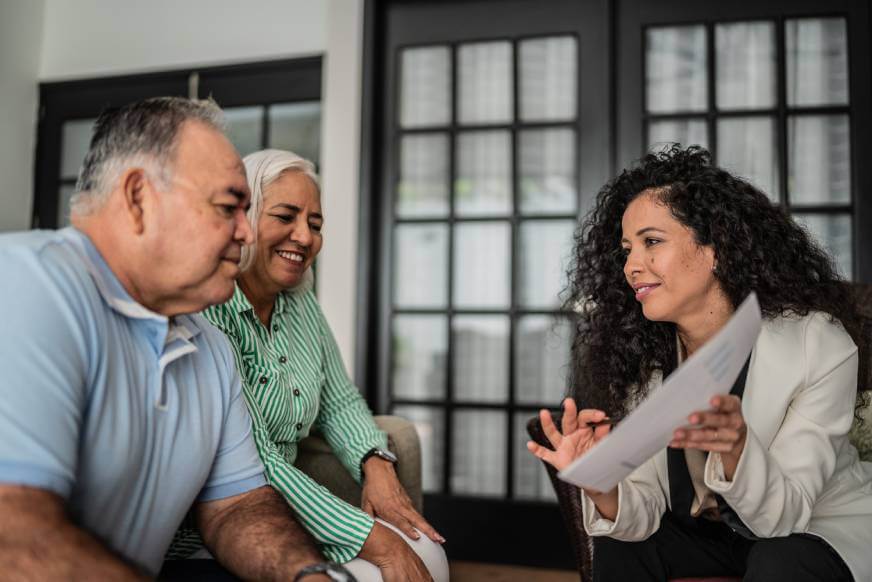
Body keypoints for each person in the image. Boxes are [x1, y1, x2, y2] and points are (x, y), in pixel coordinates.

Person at [0, 97, 349, 581]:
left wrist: (307, 573)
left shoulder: (211, 348)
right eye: (229, 207)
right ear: (139, 198)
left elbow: (237, 508)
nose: (247, 234)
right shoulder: (26, 286)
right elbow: (14, 538)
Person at [527, 145, 872, 581]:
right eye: (627, 250)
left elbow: (785, 517)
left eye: (652, 242)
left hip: (817, 529)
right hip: (709, 536)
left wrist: (737, 450)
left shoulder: (817, 341)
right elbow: (647, 506)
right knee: (622, 547)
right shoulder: (648, 358)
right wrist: (600, 483)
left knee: (780, 559)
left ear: (716, 250)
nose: (632, 266)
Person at [201, 149, 449, 582]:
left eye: (315, 225)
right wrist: (374, 538)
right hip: (237, 525)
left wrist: (376, 462)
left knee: (428, 553)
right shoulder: (210, 312)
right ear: (245, 218)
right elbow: (256, 463)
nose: (304, 236)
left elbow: (339, 402)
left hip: (295, 512)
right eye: (286, 216)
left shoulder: (302, 305)